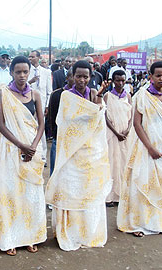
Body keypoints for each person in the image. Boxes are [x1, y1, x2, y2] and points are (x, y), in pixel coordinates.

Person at [0, 56, 46, 256]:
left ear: (30, 73)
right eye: (18, 72)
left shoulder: (35, 95)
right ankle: (9, 238)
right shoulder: (3, 93)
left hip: (31, 151)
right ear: (11, 72)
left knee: (29, 194)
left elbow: (42, 123)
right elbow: (0, 125)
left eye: (25, 72)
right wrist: (21, 146)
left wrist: (33, 147)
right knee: (10, 194)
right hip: (10, 150)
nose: (22, 75)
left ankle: (29, 237)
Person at [45, 60, 111, 251]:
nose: (82, 80)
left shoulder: (93, 93)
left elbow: (98, 118)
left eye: (86, 76)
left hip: (90, 152)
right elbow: (63, 122)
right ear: (71, 77)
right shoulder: (66, 96)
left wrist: (98, 97)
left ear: (91, 77)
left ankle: (87, 232)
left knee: (88, 190)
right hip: (70, 152)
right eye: (78, 76)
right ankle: (69, 231)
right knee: (70, 190)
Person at [117, 61, 162, 237]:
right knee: (143, 185)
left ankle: (161, 222)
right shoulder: (142, 96)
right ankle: (138, 224)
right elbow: (137, 124)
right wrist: (150, 148)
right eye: (158, 75)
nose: (161, 79)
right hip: (146, 149)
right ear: (150, 76)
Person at [104, 70, 132, 207]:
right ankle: (109, 196)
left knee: (123, 164)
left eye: (123, 80)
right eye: (117, 80)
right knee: (111, 163)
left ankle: (121, 195)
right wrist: (116, 132)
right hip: (112, 134)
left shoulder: (128, 96)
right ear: (113, 81)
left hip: (125, 136)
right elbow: (105, 117)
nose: (120, 83)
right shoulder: (107, 96)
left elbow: (131, 116)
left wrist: (127, 130)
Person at [47, 68, 74, 175]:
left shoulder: (84, 94)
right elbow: (52, 117)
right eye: (74, 76)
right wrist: (56, 134)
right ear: (67, 78)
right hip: (59, 138)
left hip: (75, 139)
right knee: (55, 171)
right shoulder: (57, 95)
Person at [28, 50, 52, 162]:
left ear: (38, 58)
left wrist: (47, 106)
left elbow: (49, 91)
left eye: (32, 57)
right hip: (29, 104)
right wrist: (30, 81)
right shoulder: (27, 70)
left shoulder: (46, 72)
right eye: (29, 57)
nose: (30, 59)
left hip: (42, 105)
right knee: (29, 128)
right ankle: (31, 152)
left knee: (41, 129)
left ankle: (43, 155)